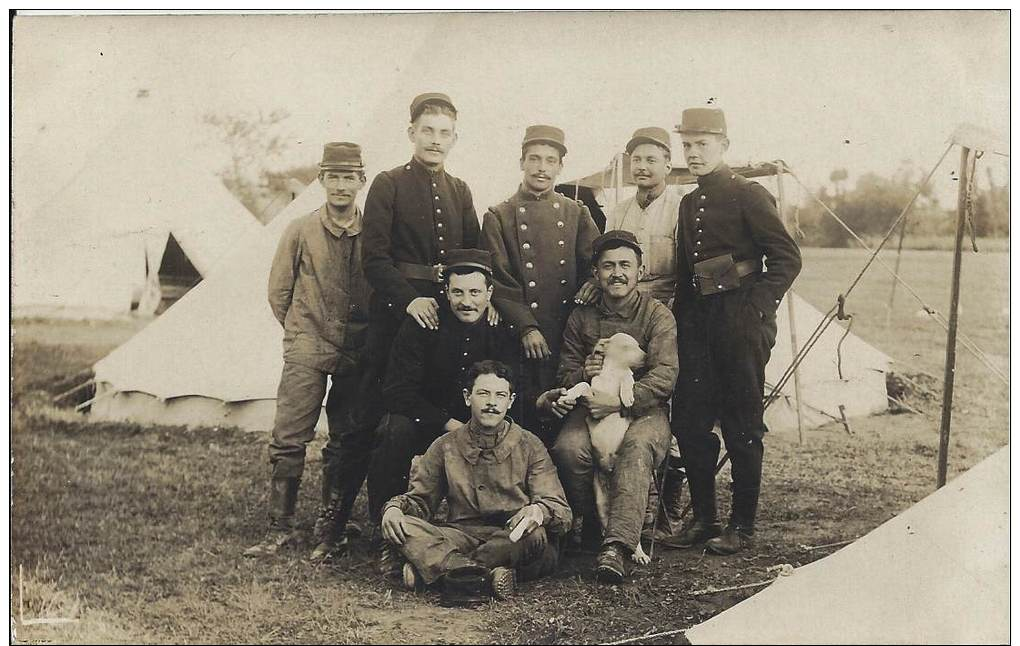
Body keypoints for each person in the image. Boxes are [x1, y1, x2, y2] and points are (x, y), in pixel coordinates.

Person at [670, 107, 802, 555]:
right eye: (687, 146)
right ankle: (705, 520)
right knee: (689, 423)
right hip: (699, 328)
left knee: (742, 424)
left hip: (740, 323)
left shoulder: (748, 194)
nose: (693, 153)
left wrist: (755, 309)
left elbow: (786, 258)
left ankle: (741, 526)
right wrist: (684, 327)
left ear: (724, 146)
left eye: (702, 145)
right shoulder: (689, 203)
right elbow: (689, 274)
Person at [244, 142, 370, 560]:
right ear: (320, 180)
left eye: (348, 177)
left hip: (357, 350)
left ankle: (331, 525)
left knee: (347, 437)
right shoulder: (300, 229)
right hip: (307, 345)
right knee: (290, 435)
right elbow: (278, 291)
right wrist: (301, 332)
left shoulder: (374, 232)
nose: (340, 186)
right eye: (332, 177)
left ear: (361, 181)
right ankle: (280, 527)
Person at [367, 248, 523, 575]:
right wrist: (446, 422)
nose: (467, 301)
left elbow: (511, 386)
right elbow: (397, 390)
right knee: (394, 431)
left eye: (476, 292)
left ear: (490, 293)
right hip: (431, 420)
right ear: (446, 292)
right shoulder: (424, 324)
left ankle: (493, 527)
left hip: (484, 425)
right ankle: (389, 532)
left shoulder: (500, 330)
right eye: (458, 292)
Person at [541, 230, 679, 584]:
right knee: (568, 448)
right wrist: (583, 371)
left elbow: (665, 374)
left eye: (625, 265)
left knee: (636, 447)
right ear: (596, 273)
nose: (617, 273)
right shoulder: (582, 316)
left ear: (640, 270)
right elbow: (565, 370)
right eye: (608, 266)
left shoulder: (657, 315)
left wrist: (620, 401)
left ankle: (617, 545)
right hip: (591, 412)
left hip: (644, 410)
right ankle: (586, 525)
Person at [380, 360, 571, 602]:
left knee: (532, 536)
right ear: (467, 397)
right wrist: (395, 508)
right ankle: (482, 578)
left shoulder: (530, 445)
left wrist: (539, 511)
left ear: (510, 401)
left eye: (500, 395)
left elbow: (561, 510)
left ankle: (444, 574)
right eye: (483, 393)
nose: (492, 402)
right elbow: (420, 501)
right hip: (462, 536)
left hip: (513, 539)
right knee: (405, 526)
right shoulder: (445, 445)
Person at [481, 125, 601, 443]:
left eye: (550, 160)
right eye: (534, 158)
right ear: (522, 162)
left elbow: (598, 260)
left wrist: (594, 281)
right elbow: (499, 278)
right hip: (520, 336)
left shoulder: (576, 213)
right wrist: (526, 327)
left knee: (564, 416)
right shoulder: (499, 215)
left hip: (566, 334)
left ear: (560, 166)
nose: (541, 168)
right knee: (524, 414)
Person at [603, 126, 686, 544]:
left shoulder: (680, 208)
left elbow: (684, 272)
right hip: (624, 318)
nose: (643, 166)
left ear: (668, 164)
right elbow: (606, 260)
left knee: (664, 403)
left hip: (668, 315)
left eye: (652, 159)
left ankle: (668, 500)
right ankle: (620, 503)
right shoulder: (617, 209)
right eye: (636, 159)